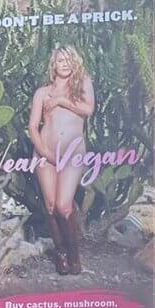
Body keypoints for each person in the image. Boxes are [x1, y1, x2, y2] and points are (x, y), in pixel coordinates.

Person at [28, 44, 95, 275]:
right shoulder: (41, 92)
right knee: (49, 206)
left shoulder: (82, 83)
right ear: (53, 65)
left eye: (68, 60)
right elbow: (33, 127)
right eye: (59, 61)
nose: (64, 64)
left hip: (72, 153)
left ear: (74, 62)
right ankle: (61, 253)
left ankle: (75, 254)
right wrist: (44, 152)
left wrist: (60, 101)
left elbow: (88, 109)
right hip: (45, 153)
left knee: (64, 206)